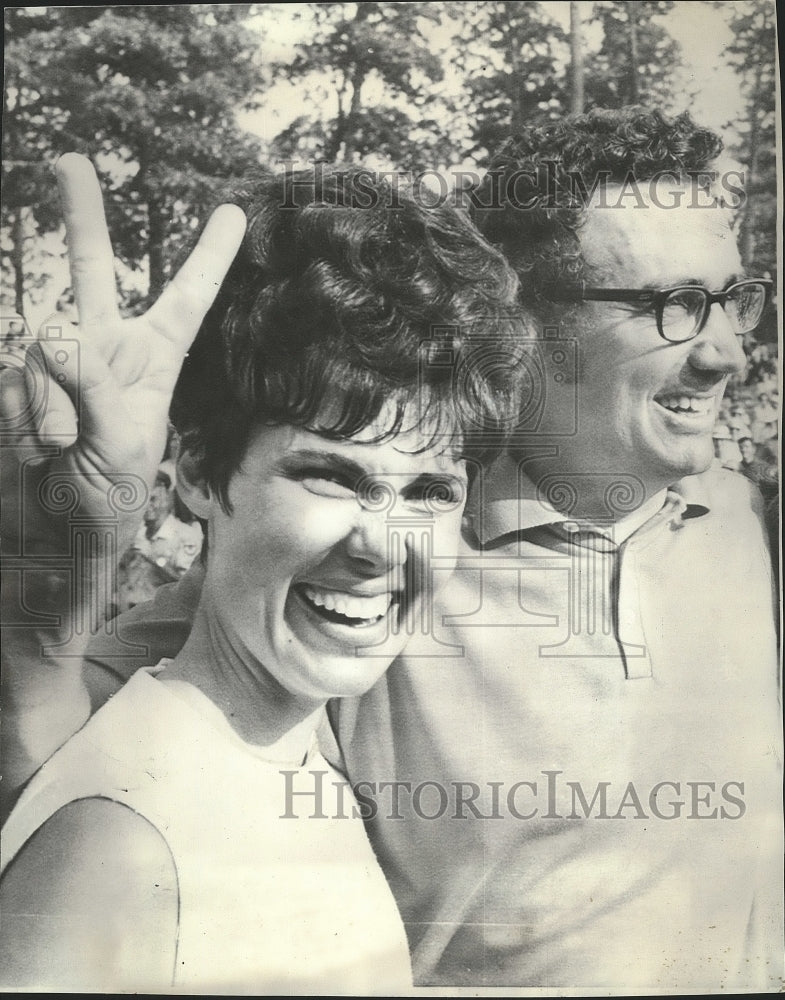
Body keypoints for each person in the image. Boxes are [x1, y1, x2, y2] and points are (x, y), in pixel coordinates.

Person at [2, 108, 782, 993]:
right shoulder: (385, 557)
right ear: (532, 320)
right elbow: (76, 760)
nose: (724, 352)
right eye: (671, 307)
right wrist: (51, 561)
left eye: (731, 300)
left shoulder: (750, 521)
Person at [0, 155, 525, 991]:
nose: (384, 546)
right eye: (331, 475)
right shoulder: (122, 844)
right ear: (202, 477)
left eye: (428, 490)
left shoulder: (298, 749)